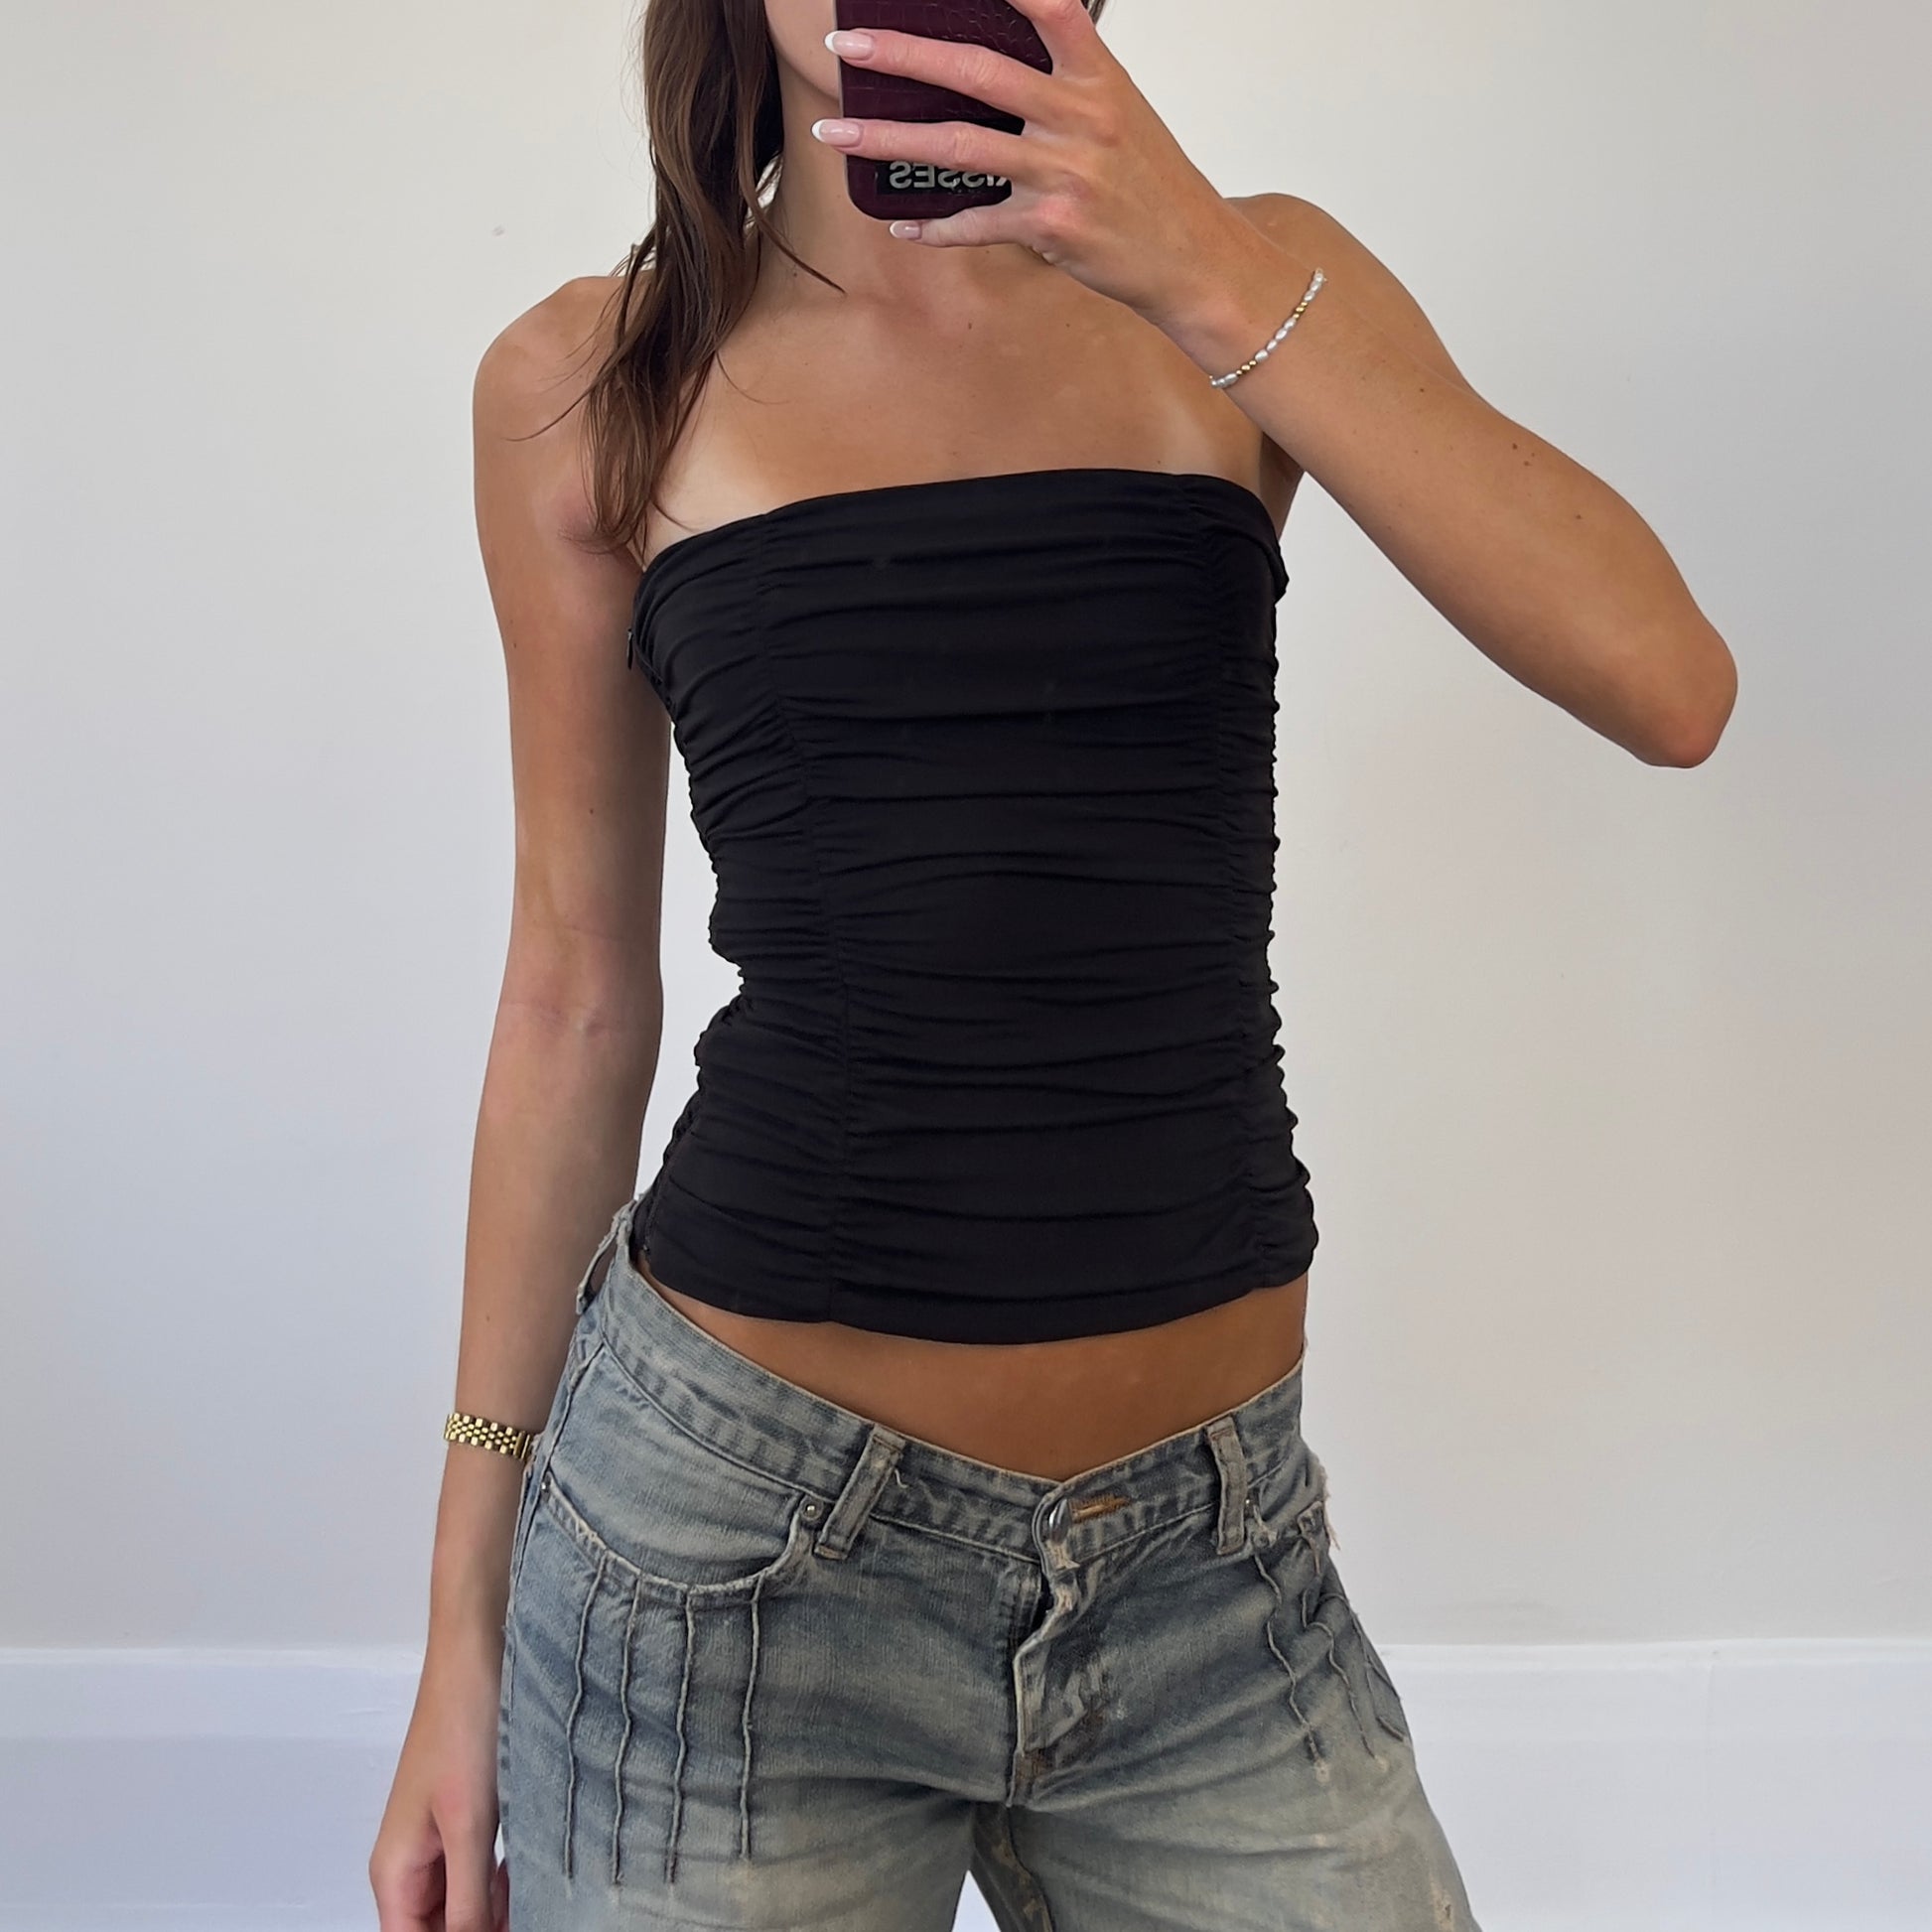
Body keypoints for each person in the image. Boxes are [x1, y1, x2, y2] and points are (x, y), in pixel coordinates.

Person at [370, 1, 1736, 1927]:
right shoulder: (592, 379)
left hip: (1214, 1567)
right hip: (732, 1555)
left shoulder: (1249, 281)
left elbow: (1668, 684)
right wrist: (458, 1627)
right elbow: (572, 995)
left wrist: (1200, 266)